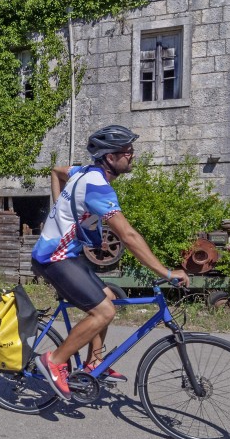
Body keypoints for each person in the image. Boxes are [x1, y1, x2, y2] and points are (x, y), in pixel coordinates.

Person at [30, 125, 190, 400]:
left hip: (67, 254)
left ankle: (94, 362)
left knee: (107, 296)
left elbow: (56, 171)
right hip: (52, 258)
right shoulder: (98, 188)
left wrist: (60, 210)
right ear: (109, 157)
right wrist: (164, 271)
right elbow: (127, 235)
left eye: (131, 150)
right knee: (104, 312)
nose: (132, 156)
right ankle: (54, 361)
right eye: (127, 151)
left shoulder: (81, 171)